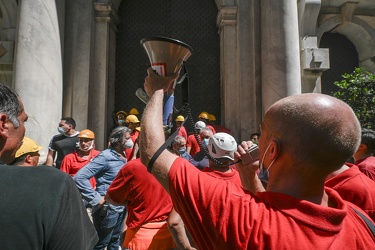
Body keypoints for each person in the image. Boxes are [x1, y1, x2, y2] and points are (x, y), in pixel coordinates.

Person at [140, 69, 375, 249]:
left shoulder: (237, 214)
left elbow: (153, 153)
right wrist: (248, 175)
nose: (256, 140)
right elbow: (282, 211)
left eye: (262, 132)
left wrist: (157, 91)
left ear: (272, 151)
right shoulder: (361, 221)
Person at [0, 83, 98, 249]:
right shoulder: (52, 185)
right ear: (4, 124)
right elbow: (51, 157)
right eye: (24, 121)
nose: (24, 131)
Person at [74, 126, 132, 250]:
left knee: (114, 241)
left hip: (120, 207)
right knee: (100, 244)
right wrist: (96, 199)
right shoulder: (105, 157)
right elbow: (80, 177)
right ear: (118, 141)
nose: (130, 140)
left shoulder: (123, 155)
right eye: (127, 138)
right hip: (107, 208)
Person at [105, 159, 176, 249]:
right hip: (169, 238)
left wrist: (130, 203)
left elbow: (109, 198)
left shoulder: (132, 167)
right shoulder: (177, 165)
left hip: (139, 238)